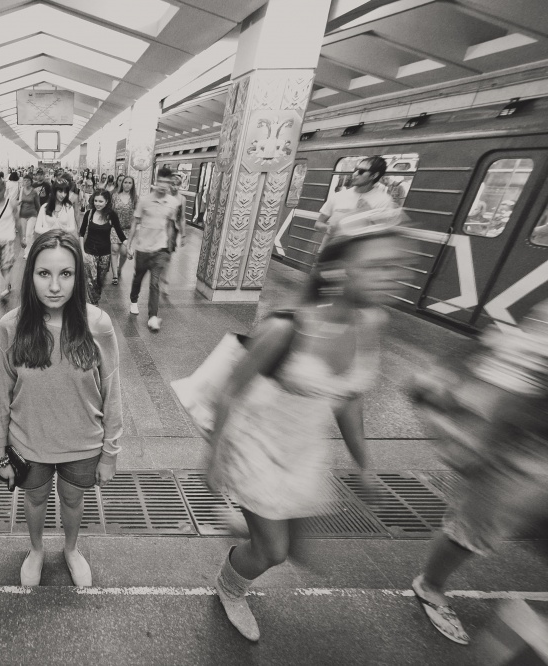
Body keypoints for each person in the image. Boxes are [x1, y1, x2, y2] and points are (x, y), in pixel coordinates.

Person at [207, 227, 410, 643]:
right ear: (337, 271)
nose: (391, 276)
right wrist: (211, 458)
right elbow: (229, 391)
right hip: (257, 447)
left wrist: (364, 465)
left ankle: (251, 523)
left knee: (297, 546)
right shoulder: (286, 329)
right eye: (376, 267)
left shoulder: (372, 322)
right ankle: (229, 587)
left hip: (305, 450)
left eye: (396, 266)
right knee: (274, 552)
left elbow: (349, 399)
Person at [409, 301, 548, 646]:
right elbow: (428, 390)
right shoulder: (531, 347)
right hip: (513, 456)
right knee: (473, 532)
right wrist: (459, 437)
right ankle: (430, 585)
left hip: (527, 452)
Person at [0, 229, 122, 587]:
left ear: (78, 276)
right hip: (29, 444)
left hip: (83, 443)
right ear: (30, 274)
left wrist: (110, 453)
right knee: (34, 499)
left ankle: (71, 548)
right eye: (43, 273)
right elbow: (1, 394)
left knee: (73, 500)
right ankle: (36, 550)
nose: (53, 286)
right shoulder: (10, 327)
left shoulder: (98, 325)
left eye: (65, 274)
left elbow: (112, 391)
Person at [126, 167, 179, 332]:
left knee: (154, 283)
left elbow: (170, 224)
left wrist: (169, 246)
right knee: (138, 278)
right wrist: (129, 245)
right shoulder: (144, 201)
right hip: (143, 249)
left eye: (167, 182)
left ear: (170, 184)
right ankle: (133, 300)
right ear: (156, 182)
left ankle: (153, 317)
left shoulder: (173, 203)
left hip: (160, 249)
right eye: (160, 181)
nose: (163, 185)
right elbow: (135, 222)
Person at [315, 156, 397, 246]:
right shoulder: (338, 196)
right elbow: (318, 223)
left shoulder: (384, 201)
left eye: (361, 171)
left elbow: (384, 238)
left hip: (358, 254)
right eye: (355, 170)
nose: (355, 174)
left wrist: (369, 217)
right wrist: (328, 229)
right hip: (329, 251)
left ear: (374, 175)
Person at [80, 189, 126, 305]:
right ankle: (92, 305)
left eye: (101, 201)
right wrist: (82, 251)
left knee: (100, 281)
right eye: (96, 201)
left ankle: (95, 300)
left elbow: (120, 233)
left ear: (106, 202)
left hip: (105, 253)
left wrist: (128, 247)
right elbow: (81, 233)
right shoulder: (89, 214)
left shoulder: (111, 215)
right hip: (89, 251)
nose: (97, 204)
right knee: (91, 280)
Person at [0, 177, 24, 303]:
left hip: (8, 239)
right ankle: (8, 282)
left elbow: (18, 222)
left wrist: (22, 238)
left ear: (4, 189)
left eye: (0, 190)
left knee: (6, 265)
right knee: (0, 265)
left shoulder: (11, 203)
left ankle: (6, 288)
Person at [110, 174, 137, 285]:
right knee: (114, 249)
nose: (127, 185)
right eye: (125, 182)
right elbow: (111, 211)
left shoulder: (135, 198)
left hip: (128, 229)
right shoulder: (115, 196)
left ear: (133, 185)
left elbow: (137, 216)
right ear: (121, 183)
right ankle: (115, 275)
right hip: (115, 228)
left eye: (130, 183)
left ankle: (119, 268)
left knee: (124, 252)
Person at [34, 180, 78, 244]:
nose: (63, 195)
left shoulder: (69, 207)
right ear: (54, 191)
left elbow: (72, 227)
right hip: (47, 242)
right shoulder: (44, 207)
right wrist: (51, 230)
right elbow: (37, 228)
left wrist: (64, 230)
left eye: (65, 192)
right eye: (60, 191)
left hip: (63, 242)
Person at [19, 173, 42, 257]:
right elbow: (18, 201)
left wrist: (40, 216)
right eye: (24, 180)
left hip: (32, 214)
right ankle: (28, 250)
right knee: (24, 235)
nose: (26, 182)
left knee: (29, 234)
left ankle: (28, 252)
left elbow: (38, 205)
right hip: (22, 215)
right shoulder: (21, 190)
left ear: (31, 182)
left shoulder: (34, 192)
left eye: (28, 180)